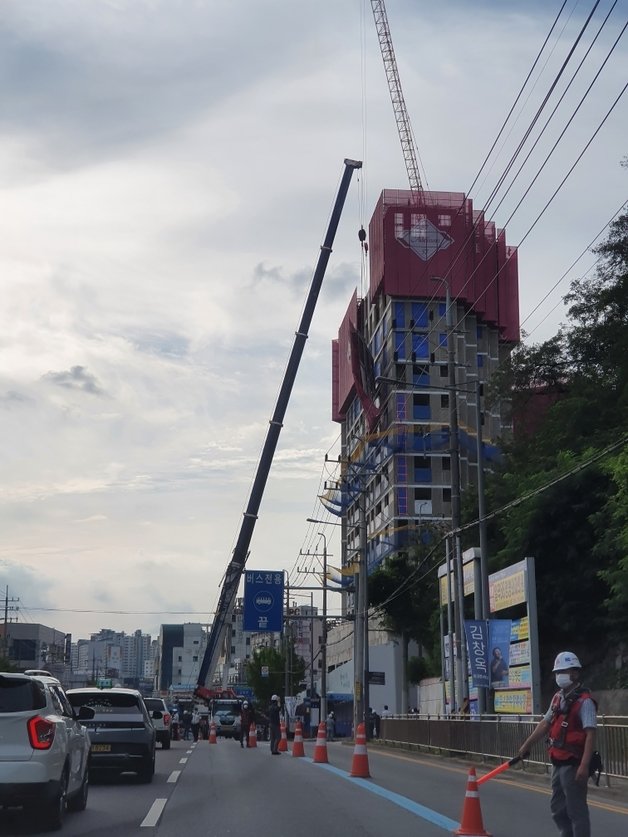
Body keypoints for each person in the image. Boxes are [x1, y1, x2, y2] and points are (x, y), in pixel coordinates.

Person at [518, 651, 597, 837]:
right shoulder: (557, 698)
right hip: (558, 761)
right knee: (557, 807)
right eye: (557, 672)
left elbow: (591, 734)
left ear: (575, 673)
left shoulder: (584, 702)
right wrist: (527, 745)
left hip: (574, 762)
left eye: (563, 671)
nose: (559, 676)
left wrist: (584, 766)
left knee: (576, 810)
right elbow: (545, 724)